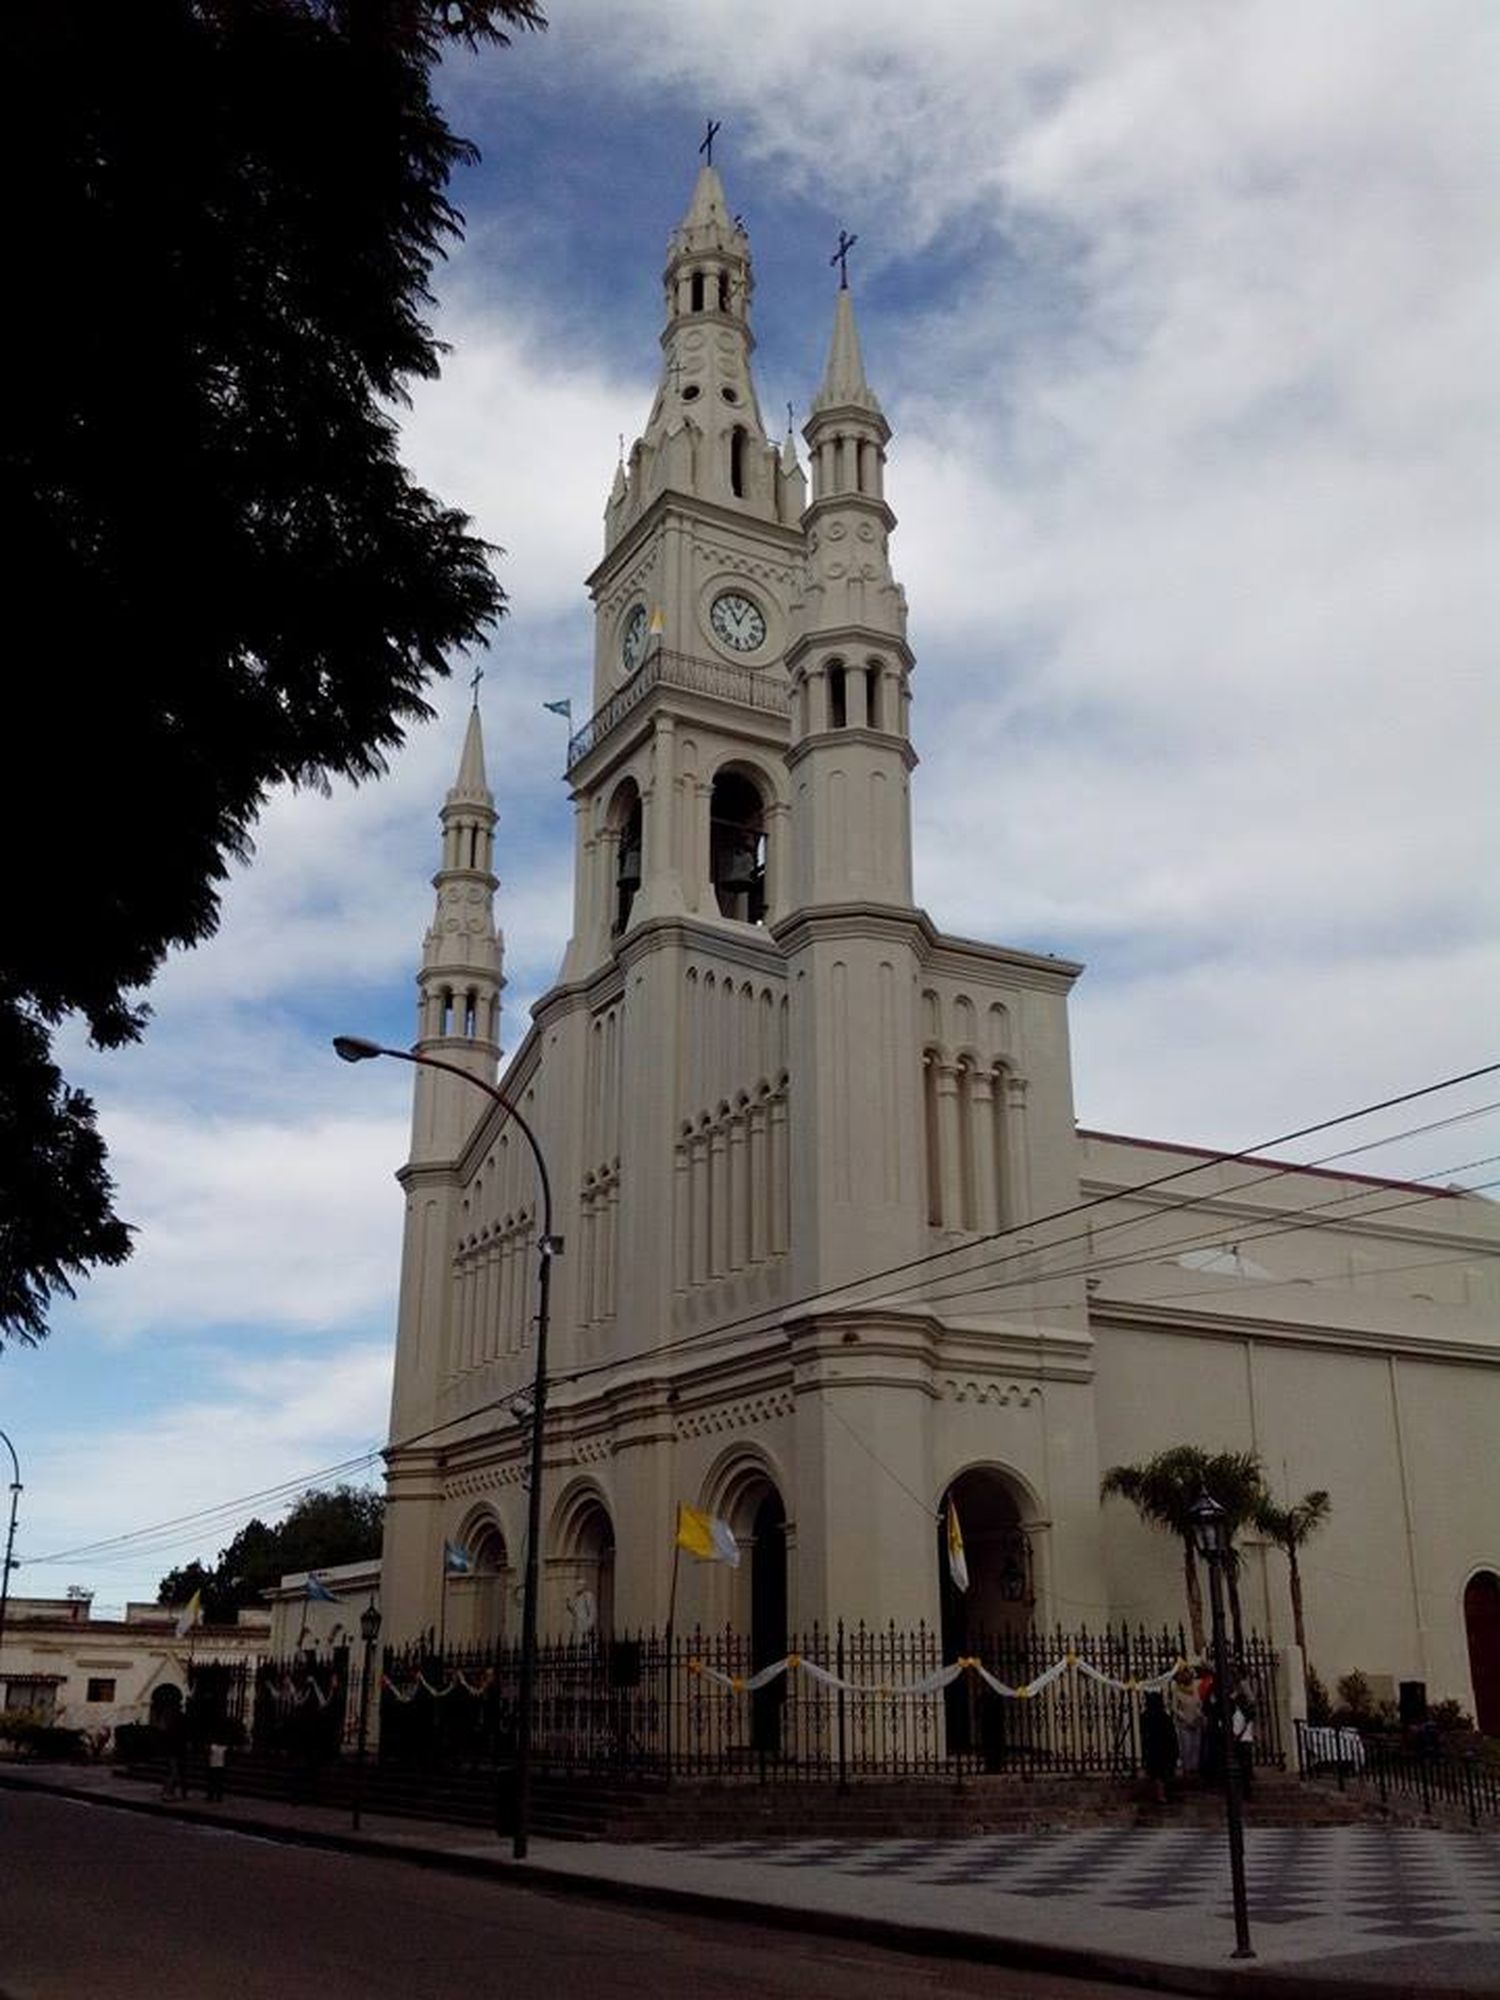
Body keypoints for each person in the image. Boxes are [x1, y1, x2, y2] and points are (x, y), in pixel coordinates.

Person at [1140, 1688, 1179, 1804]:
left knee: (1156, 1773)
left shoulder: (1145, 1716)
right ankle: (1161, 1794)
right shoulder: (1164, 1717)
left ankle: (1159, 1794)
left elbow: (1144, 1733)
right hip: (1163, 1748)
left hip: (1153, 1748)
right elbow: (1172, 1734)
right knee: (1161, 1773)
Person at [1168, 1663, 1203, 1778]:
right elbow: (1174, 1708)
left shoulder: (1194, 1689)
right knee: (1186, 1747)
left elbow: (1198, 1703)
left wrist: (1199, 1714)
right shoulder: (1177, 1691)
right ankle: (1187, 1771)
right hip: (1184, 1723)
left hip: (1196, 1721)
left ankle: (1195, 1770)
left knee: (1196, 1746)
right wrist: (1184, 1717)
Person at [1229, 1665, 1256, 1796]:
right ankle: (1246, 1787)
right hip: (1246, 1738)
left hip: (1242, 1739)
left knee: (1242, 1764)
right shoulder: (1245, 1712)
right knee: (1245, 1763)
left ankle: (1245, 1788)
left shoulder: (1240, 1712)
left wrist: (1236, 1736)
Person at [205, 1737, 228, 1803]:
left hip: (213, 1766)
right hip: (220, 1766)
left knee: (212, 1782)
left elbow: (208, 1752)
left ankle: (211, 1795)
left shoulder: (212, 1747)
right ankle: (219, 1796)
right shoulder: (223, 1747)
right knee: (219, 1782)